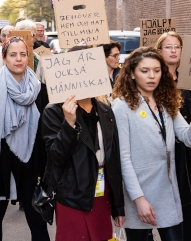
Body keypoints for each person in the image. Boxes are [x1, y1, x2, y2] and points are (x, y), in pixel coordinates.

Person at [111, 47, 191, 240]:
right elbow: (124, 158)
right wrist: (138, 199)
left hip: (167, 190)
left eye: (157, 70)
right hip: (139, 192)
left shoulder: (165, 100)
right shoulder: (121, 105)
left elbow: (188, 138)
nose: (152, 76)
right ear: (132, 74)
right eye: (144, 71)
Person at [41, 45, 125, 241]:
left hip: (102, 194)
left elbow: (114, 159)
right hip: (73, 195)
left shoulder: (105, 110)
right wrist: (69, 124)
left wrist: (118, 205)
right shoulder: (53, 111)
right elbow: (55, 157)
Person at [0, 36, 50, 241]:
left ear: (29, 58)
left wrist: (45, 171)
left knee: (37, 220)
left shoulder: (40, 89)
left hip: (31, 164)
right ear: (4, 58)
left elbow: (45, 133)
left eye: (23, 54)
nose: (18, 59)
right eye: (13, 54)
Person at [154, 31, 191, 241]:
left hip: (183, 151)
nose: (173, 50)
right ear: (159, 50)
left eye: (176, 47)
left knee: (183, 201)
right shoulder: (152, 80)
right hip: (158, 152)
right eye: (168, 46)